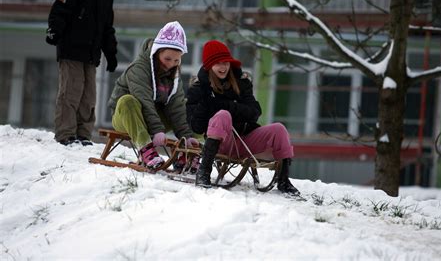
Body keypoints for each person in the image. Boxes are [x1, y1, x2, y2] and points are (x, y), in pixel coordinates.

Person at [186, 40, 300, 194]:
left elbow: (254, 113)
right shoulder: (199, 89)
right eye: (218, 63)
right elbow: (196, 127)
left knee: (279, 129)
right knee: (222, 116)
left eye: (225, 62)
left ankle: (284, 180)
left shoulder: (241, 83)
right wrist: (208, 103)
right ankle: (203, 173)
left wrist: (225, 105)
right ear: (209, 66)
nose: (223, 67)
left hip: (246, 139)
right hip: (221, 143)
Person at [46, 0, 118, 146]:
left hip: (91, 54)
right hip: (71, 49)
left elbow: (107, 29)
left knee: (88, 96)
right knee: (71, 92)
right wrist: (54, 31)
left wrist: (111, 53)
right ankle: (66, 133)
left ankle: (83, 134)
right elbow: (59, 13)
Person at [108, 21, 199, 169]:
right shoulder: (139, 68)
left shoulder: (173, 74)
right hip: (127, 117)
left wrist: (187, 136)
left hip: (153, 119)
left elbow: (177, 107)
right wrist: (157, 130)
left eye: (176, 60)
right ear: (157, 52)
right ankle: (145, 149)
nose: (171, 64)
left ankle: (187, 153)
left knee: (191, 107)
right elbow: (143, 101)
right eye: (167, 59)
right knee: (127, 101)